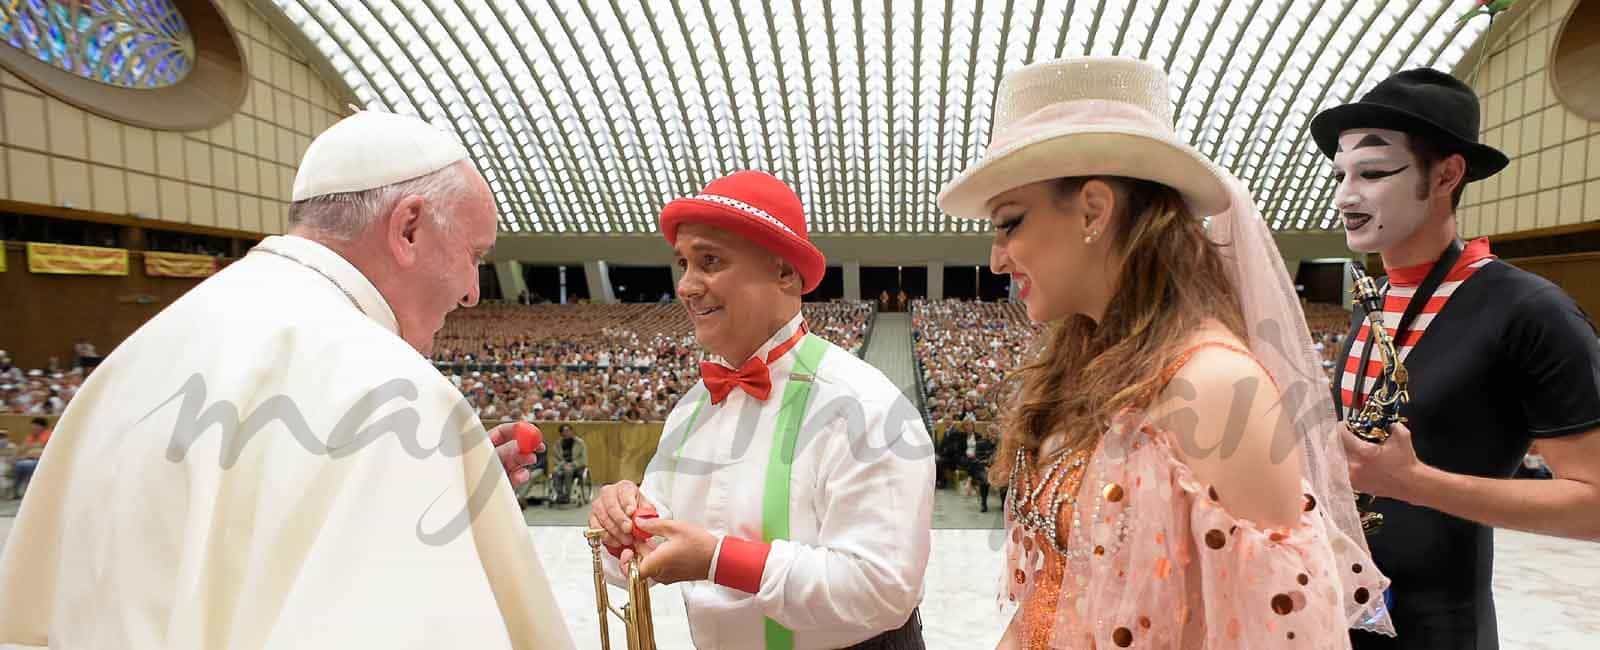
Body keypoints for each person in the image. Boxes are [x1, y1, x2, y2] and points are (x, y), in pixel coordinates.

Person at [0, 110, 574, 649]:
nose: (474, 291)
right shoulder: (389, 389)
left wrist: (441, 478)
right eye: (475, 255)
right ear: (409, 228)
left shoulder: (141, 352)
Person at [937, 56, 1390, 648]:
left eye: (1010, 223)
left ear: (1094, 211)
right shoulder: (1086, 366)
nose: (997, 257)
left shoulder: (1214, 387)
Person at [1310, 68, 1600, 649]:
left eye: (1371, 172)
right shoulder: (1375, 301)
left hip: (1436, 626)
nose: (1345, 196)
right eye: (1340, 174)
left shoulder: (1529, 310)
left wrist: (1416, 483)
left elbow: (1594, 503)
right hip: (1334, 609)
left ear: (1446, 175)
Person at [589, 170, 935, 649]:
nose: (687, 286)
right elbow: (640, 554)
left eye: (710, 261)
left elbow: (883, 588)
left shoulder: (864, 404)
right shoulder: (690, 411)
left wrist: (718, 559)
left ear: (785, 273)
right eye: (683, 264)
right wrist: (621, 526)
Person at [549, 424, 587, 504]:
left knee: (568, 470)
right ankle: (560, 494)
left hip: (576, 465)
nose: (566, 433)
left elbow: (583, 459)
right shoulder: (557, 444)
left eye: (568, 430)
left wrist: (572, 464)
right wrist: (562, 464)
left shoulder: (580, 443)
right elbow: (555, 458)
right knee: (555, 471)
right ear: (561, 433)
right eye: (563, 431)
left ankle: (567, 495)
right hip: (562, 464)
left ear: (572, 431)